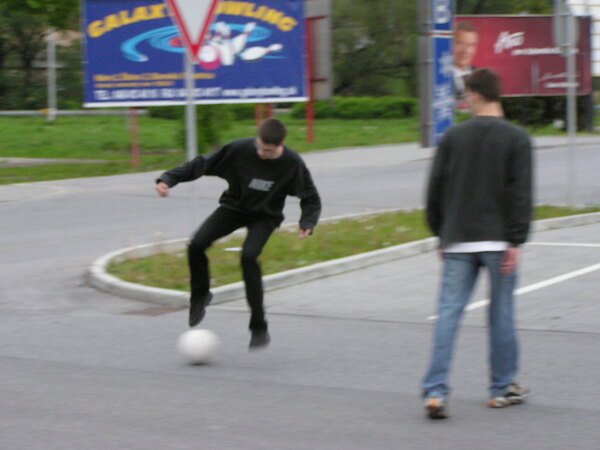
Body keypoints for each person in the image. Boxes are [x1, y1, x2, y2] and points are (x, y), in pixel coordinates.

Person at [421, 68, 533, 419]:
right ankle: (501, 388)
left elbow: (435, 190)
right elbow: (520, 194)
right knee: (501, 314)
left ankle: (435, 391)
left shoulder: (453, 137)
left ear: (476, 94)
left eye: (466, 94)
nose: (464, 100)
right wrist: (516, 240)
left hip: (458, 241)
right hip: (499, 242)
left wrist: (441, 233)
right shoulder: (517, 138)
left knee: (448, 314)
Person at [155, 118, 321, 349]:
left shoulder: (292, 163)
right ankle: (200, 296)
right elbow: (204, 163)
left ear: (281, 146)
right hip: (235, 208)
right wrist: (169, 178)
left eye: (267, 151)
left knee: (249, 257)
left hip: (265, 216)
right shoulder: (240, 150)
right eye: (259, 147)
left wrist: (308, 221)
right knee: (197, 244)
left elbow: (310, 196)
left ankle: (258, 326)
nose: (261, 153)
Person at [453, 21, 479, 103]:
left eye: (471, 45)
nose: (465, 50)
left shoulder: (481, 76)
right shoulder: (440, 77)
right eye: (460, 43)